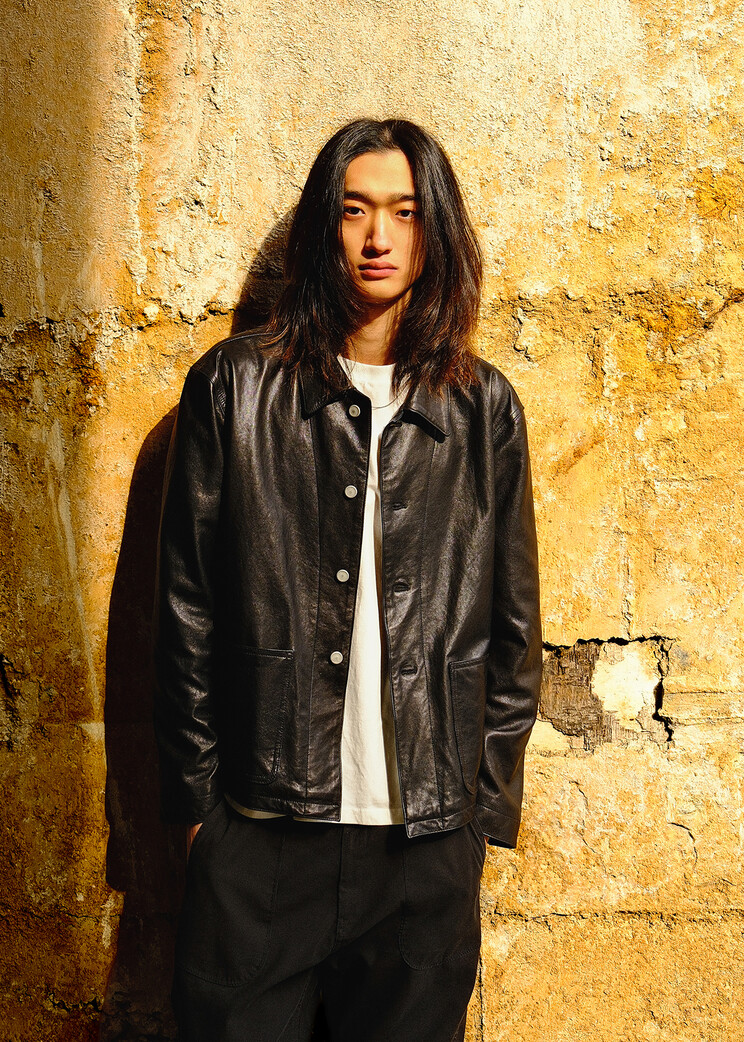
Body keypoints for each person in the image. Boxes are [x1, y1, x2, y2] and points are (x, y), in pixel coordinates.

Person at [153, 117, 542, 1042]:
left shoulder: (482, 408)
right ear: (323, 227)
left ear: (435, 232)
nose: (379, 237)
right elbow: (184, 610)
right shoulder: (234, 388)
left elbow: (513, 626)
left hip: (422, 851)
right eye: (356, 210)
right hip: (261, 837)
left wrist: (480, 817)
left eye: (405, 213)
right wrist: (201, 816)